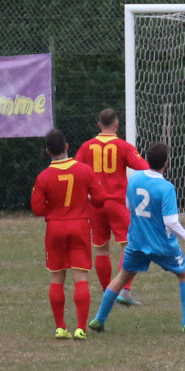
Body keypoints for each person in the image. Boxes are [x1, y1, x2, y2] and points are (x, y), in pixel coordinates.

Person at [88, 143, 185, 334]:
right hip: (162, 245)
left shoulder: (134, 179)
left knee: (121, 277)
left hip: (137, 242)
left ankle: (99, 319)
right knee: (184, 275)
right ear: (167, 163)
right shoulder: (166, 188)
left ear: (147, 159)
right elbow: (170, 222)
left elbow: (129, 205)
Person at [31, 129, 108, 340]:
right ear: (67, 146)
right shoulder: (84, 171)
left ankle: (60, 327)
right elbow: (100, 199)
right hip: (79, 226)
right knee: (80, 276)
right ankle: (80, 328)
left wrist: (54, 208)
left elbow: (37, 208)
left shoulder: (43, 177)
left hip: (55, 227)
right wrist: (86, 200)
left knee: (57, 277)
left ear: (48, 151)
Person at [75, 108, 150, 306]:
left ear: (99, 124)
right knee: (129, 246)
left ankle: (107, 292)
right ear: (116, 124)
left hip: (95, 205)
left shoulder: (86, 147)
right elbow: (144, 167)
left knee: (101, 250)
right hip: (118, 203)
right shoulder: (123, 146)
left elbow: (75, 170)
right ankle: (124, 290)